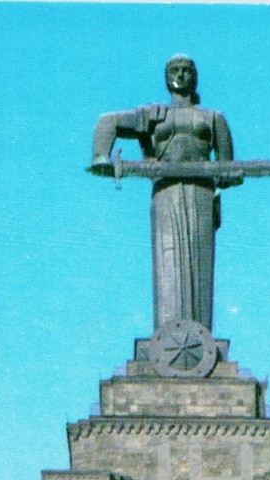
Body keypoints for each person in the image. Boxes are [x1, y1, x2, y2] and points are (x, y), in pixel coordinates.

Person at [91, 56, 235, 331]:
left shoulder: (213, 118)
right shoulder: (155, 114)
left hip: (201, 193)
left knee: (200, 261)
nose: (181, 75)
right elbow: (106, 122)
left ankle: (199, 333)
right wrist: (101, 157)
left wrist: (228, 175)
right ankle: (169, 333)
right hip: (166, 192)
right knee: (167, 257)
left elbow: (227, 165)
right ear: (166, 78)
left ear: (195, 77)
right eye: (174, 70)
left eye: (187, 70)